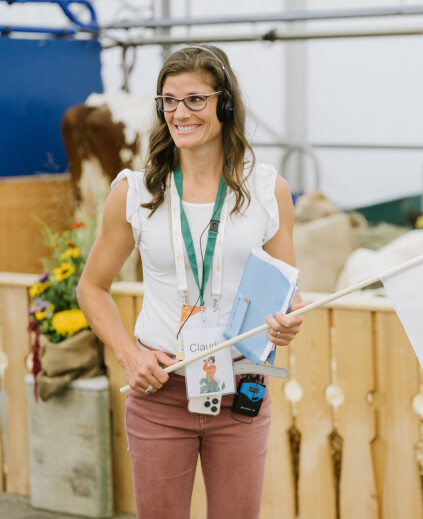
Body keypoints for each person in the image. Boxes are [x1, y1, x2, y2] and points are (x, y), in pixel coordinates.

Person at [77, 45, 304, 518]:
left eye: (195, 99)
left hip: (241, 392)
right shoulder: (135, 192)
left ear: (225, 104)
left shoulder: (268, 190)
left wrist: (287, 322)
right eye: (169, 101)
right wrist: (129, 355)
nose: (180, 113)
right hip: (159, 395)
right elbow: (91, 288)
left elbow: (288, 294)